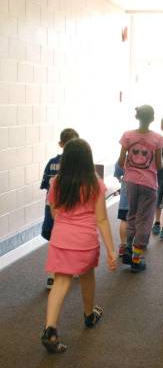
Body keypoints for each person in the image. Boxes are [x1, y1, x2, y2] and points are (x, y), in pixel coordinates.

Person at [40, 138, 117, 354]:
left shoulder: (56, 182)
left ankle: (50, 330)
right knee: (87, 276)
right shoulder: (94, 182)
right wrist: (111, 250)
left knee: (61, 282)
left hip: (61, 238)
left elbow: (54, 213)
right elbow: (101, 219)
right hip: (84, 241)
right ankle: (89, 314)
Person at [117, 105, 163, 272]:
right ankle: (136, 259)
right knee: (145, 219)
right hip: (149, 183)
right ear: (152, 118)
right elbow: (159, 165)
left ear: (137, 117)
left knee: (132, 214)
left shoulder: (127, 136)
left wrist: (130, 168)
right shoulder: (158, 139)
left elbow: (120, 161)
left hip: (130, 181)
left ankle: (128, 246)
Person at [40, 128, 79, 289]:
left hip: (52, 209)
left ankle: (51, 277)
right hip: (71, 210)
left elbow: (45, 186)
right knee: (72, 240)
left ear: (60, 144)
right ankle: (72, 268)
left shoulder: (51, 163)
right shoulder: (79, 165)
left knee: (55, 242)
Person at [113, 162, 130, 260]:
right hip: (141, 193)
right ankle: (135, 248)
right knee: (138, 221)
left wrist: (121, 179)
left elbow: (117, 173)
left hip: (126, 191)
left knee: (124, 220)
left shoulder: (124, 157)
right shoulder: (146, 154)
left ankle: (123, 246)